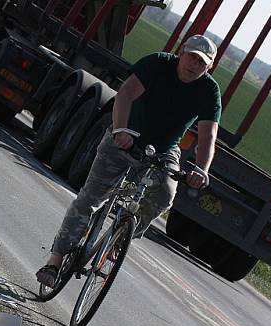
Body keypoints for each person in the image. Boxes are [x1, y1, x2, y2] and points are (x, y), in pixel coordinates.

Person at [36, 34, 222, 287]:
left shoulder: (209, 90)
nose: (194, 66)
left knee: (165, 194)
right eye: (191, 58)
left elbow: (208, 135)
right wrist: (120, 130)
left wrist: (202, 169)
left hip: (163, 149)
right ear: (181, 53)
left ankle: (120, 239)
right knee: (91, 198)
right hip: (126, 136)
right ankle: (55, 260)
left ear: (210, 66)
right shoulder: (157, 64)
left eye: (202, 63)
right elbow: (125, 94)